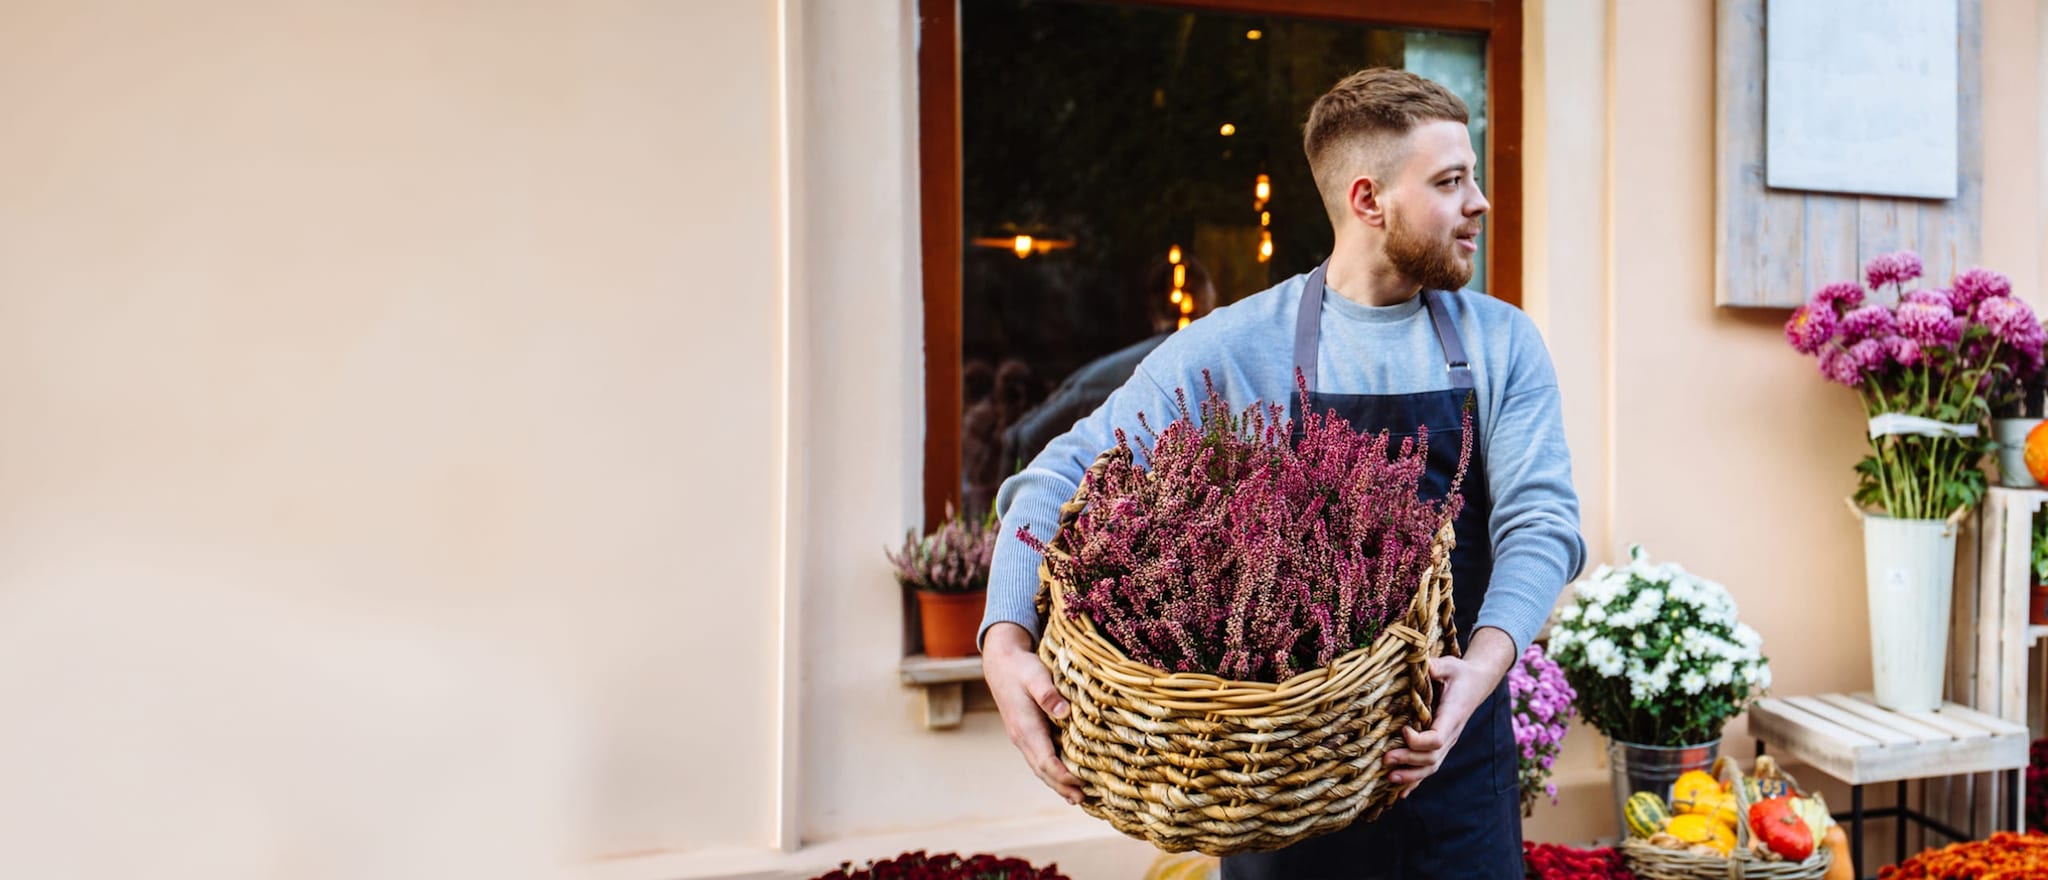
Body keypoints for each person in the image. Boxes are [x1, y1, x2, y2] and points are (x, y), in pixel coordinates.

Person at [977, 68, 1586, 879]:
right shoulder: (1236, 348)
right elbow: (1059, 478)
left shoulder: (1504, 343)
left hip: (1456, 772)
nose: (1479, 201)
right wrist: (1003, 638)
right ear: (1368, 201)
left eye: (1472, 177)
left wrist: (1478, 672)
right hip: (1279, 794)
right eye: (1450, 182)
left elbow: (1540, 524)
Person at [1000, 255, 1218, 471]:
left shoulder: (1101, 375)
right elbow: (1026, 437)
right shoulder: (1112, 375)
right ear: (1202, 301)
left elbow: (1023, 438)